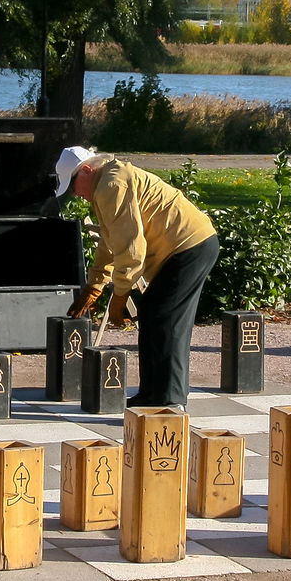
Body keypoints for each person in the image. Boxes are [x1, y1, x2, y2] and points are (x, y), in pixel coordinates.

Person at [57, 145, 220, 408]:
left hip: (191, 246)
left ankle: (170, 401)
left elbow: (131, 250)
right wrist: (95, 286)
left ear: (86, 170)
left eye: (73, 186)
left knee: (166, 317)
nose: (76, 194)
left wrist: (120, 295)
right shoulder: (104, 185)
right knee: (152, 312)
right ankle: (151, 394)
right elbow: (109, 242)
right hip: (184, 248)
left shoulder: (112, 185)